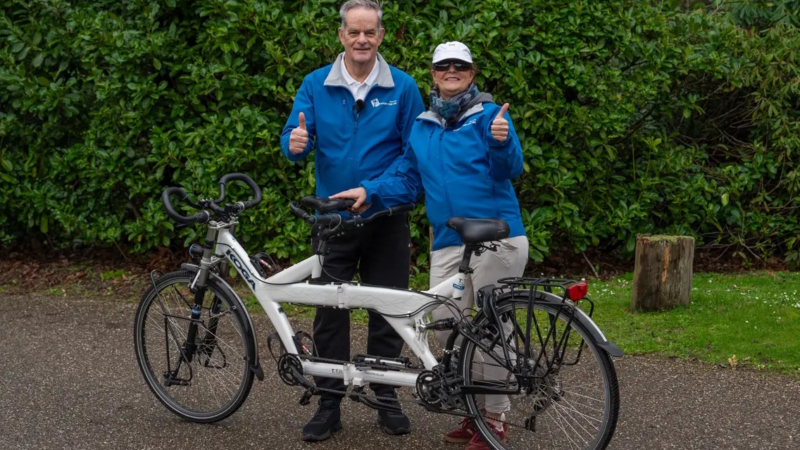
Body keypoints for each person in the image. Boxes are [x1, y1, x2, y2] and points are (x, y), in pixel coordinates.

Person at [332, 41, 528, 450]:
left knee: (489, 332)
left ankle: (494, 419)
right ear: (433, 74)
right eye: (444, 65)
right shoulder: (423, 125)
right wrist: (370, 190)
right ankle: (472, 411)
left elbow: (510, 168)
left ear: (472, 73)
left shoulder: (490, 116)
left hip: (497, 237)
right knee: (445, 326)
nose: (451, 70)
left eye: (460, 65)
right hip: (447, 241)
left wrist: (501, 140)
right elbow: (406, 176)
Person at [280, 0, 425, 442]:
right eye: (354, 32)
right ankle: (329, 404)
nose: (362, 40)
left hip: (385, 218)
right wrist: (296, 141)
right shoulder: (314, 84)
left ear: (381, 36)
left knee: (388, 310)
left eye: (370, 32)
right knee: (329, 314)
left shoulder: (403, 87)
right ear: (341, 35)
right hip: (333, 221)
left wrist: (375, 190)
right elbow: (292, 140)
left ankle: (386, 398)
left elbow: (413, 155)